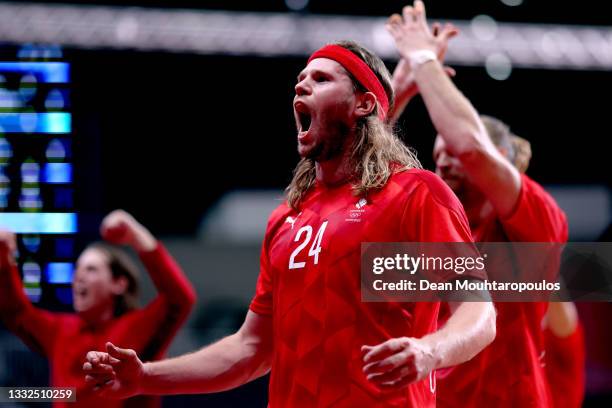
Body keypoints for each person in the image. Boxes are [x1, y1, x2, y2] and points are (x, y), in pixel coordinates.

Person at [81, 22, 497, 408]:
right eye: (300, 80)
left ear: (363, 104)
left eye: (321, 78)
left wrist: (430, 350)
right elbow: (250, 348)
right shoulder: (286, 218)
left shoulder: (417, 194)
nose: (301, 86)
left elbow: (479, 312)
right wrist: (145, 378)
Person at [386, 1, 569, 406]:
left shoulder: (536, 218)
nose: (445, 159)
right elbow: (361, 174)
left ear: (502, 164)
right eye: (438, 153)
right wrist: (397, 93)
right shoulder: (430, 222)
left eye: (451, 147)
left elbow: (471, 149)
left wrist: (423, 59)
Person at [0, 210, 196, 408]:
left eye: (91, 269)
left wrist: (136, 235)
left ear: (118, 284)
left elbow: (179, 299)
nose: (79, 276)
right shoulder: (61, 329)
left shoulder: (137, 326)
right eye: (77, 269)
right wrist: (4, 258)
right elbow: (17, 312)